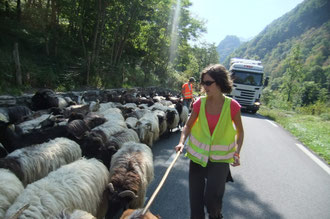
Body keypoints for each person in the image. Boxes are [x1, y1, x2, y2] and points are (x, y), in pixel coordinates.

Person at [175, 64, 244, 219]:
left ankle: (216, 215)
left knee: (212, 200)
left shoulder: (232, 106)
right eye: (203, 82)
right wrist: (181, 142)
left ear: (219, 83)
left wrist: (237, 152)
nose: (204, 86)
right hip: (197, 158)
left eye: (208, 83)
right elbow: (188, 125)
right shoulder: (199, 103)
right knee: (196, 204)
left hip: (220, 160)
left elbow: (240, 132)